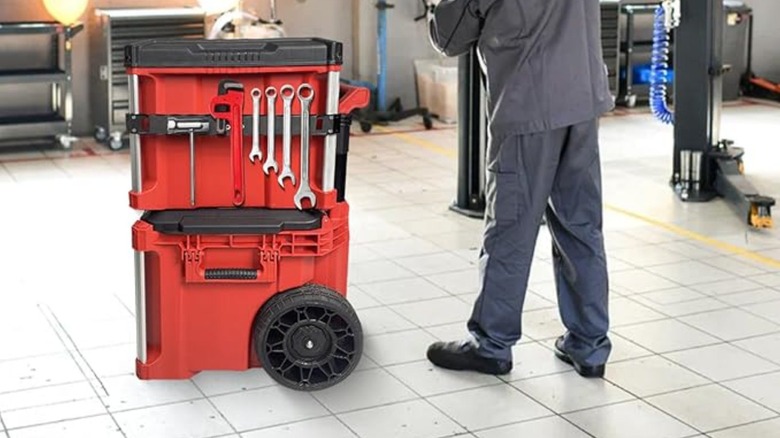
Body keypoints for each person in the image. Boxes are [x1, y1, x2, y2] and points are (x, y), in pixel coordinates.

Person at [425, 0, 614, 378]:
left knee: (511, 226)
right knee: (581, 225)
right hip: (583, 98)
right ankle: (588, 345)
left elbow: (448, 35)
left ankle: (491, 344)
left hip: (530, 102)